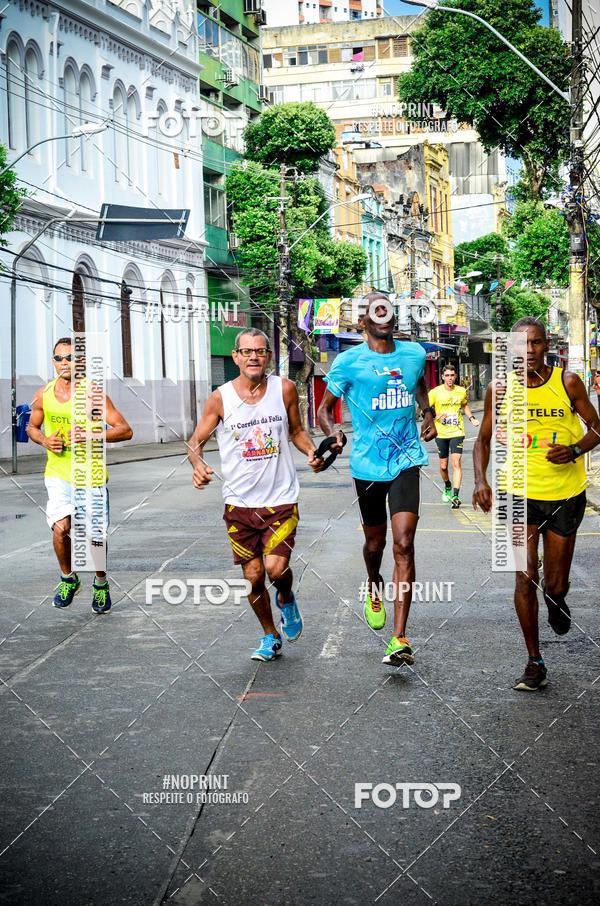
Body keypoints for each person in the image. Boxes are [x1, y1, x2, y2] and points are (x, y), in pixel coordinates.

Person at [473, 318, 600, 690]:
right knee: (524, 576)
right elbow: (482, 440)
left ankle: (558, 599)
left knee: (553, 583)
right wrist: (481, 481)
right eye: (521, 345)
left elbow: (596, 427)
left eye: (536, 344)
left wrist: (575, 449)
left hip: (564, 494)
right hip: (516, 494)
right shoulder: (499, 389)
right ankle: (534, 660)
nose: (528, 351)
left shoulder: (567, 382)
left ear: (547, 346)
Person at [188, 328, 324, 662]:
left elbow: (296, 431)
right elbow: (195, 443)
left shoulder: (285, 389)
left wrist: (310, 452)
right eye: (246, 351)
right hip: (238, 505)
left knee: (276, 571)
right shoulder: (220, 398)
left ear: (268, 357)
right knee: (252, 577)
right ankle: (269, 635)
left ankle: (287, 596)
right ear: (235, 357)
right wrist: (197, 464)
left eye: (260, 351)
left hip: (280, 500)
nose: (253, 357)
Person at [317, 292, 437, 668]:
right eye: (374, 310)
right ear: (363, 321)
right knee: (376, 543)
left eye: (387, 309)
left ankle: (399, 637)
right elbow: (324, 409)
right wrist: (334, 434)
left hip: (406, 459)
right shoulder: (349, 362)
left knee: (404, 544)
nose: (382, 315)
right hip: (367, 466)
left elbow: (417, 385)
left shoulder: (414, 354)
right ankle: (373, 582)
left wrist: (428, 412)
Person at [27, 337, 133, 612]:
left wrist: (90, 433)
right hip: (58, 472)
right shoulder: (44, 394)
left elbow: (125, 429)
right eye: (59, 358)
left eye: (70, 358)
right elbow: (32, 427)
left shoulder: (93, 395)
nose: (65, 363)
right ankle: (68, 578)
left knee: (94, 537)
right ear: (53, 362)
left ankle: (100, 582)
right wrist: (45, 440)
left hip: (91, 474)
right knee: (61, 529)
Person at [428, 363, 479, 508]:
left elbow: (465, 405)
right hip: (441, 433)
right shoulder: (435, 392)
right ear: (443, 377)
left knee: (456, 463)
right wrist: (437, 415)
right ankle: (448, 485)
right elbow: (424, 409)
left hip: (457, 432)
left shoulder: (461, 391)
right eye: (447, 376)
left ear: (456, 376)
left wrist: (471, 418)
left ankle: (456, 496)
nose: (450, 378)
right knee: (443, 466)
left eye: (452, 375)